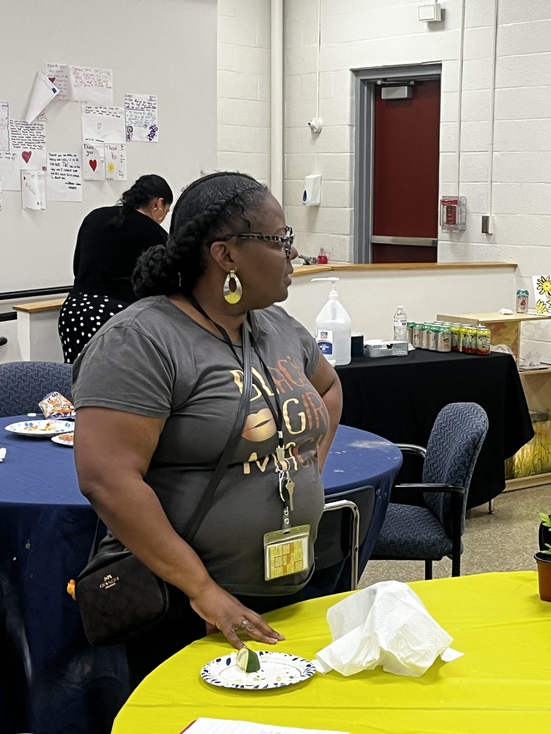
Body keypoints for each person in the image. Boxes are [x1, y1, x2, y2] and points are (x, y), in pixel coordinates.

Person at [72, 171, 342, 685]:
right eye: (281, 240)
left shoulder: (277, 327)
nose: (293, 255)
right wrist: (202, 589)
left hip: (291, 586)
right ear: (226, 255)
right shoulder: (142, 339)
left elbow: (329, 388)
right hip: (187, 609)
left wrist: (304, 468)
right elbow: (107, 478)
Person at [58, 174, 174, 363]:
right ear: (158, 204)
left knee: (74, 378)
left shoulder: (94, 216)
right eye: (167, 211)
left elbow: (77, 265)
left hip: (74, 310)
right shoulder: (155, 234)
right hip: (117, 317)